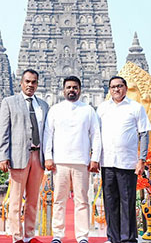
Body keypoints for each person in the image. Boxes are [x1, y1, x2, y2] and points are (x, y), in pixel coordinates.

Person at [43, 76, 101, 243]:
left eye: (75, 87)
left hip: (81, 162)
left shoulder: (88, 110)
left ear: (80, 90)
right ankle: (58, 235)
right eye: (68, 87)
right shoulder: (55, 109)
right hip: (59, 162)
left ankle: (82, 236)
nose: (71, 90)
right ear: (63, 90)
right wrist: (48, 157)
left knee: (82, 201)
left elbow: (95, 135)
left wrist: (94, 158)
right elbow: (48, 134)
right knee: (59, 200)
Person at [97, 76, 151, 243]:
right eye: (113, 87)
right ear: (109, 89)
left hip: (127, 162)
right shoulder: (102, 108)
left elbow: (144, 133)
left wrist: (142, 159)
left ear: (125, 88)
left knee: (127, 200)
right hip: (107, 162)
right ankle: (113, 237)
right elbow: (94, 134)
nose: (116, 89)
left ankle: (127, 238)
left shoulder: (136, 108)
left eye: (119, 86)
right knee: (110, 201)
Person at [0, 69, 49, 243]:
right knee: (16, 199)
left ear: (37, 84)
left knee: (33, 199)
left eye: (34, 82)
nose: (30, 85)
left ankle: (29, 235)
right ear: (21, 83)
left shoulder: (43, 105)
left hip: (38, 157)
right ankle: (16, 235)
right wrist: (3, 156)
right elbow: (3, 131)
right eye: (27, 81)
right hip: (18, 156)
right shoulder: (9, 102)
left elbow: (48, 133)